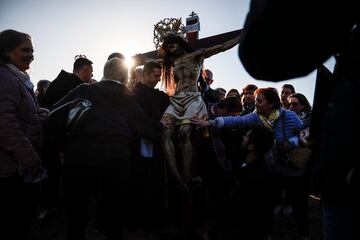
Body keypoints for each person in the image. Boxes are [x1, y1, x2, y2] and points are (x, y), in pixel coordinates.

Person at [238, 1, 358, 239]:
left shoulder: (290, 117)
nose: (289, 103)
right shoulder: (350, 49)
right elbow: (261, 57)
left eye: (294, 102)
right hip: (333, 180)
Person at [48, 57, 164, 240]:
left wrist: (63, 147)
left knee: (77, 215)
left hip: (81, 154)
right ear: (126, 77)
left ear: (104, 73)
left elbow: (54, 115)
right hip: (116, 158)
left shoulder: (84, 90)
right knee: (112, 214)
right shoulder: (129, 99)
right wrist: (163, 124)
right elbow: (149, 129)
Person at [191, 87, 309, 239]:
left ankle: (304, 234)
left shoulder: (289, 116)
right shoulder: (256, 117)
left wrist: (290, 142)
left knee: (298, 203)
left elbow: (304, 133)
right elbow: (237, 120)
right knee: (267, 202)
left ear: (271, 104)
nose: (256, 104)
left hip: (292, 168)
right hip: (272, 167)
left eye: (259, 101)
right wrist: (211, 123)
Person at [160, 33, 240, 193]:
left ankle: (186, 177)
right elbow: (148, 62)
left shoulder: (197, 55)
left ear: (180, 43)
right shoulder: (171, 62)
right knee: (165, 132)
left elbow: (221, 47)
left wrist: (241, 36)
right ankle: (176, 177)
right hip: (176, 99)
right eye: (168, 48)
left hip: (192, 98)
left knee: (185, 132)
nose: (171, 50)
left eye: (172, 45)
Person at [0, 29, 46, 240]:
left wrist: (38, 113)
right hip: (10, 170)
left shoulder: (18, 79)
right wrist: (30, 158)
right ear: (7, 52)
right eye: (25, 50)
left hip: (18, 167)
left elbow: (18, 112)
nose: (31, 55)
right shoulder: (4, 77)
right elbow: (5, 125)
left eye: (32, 50)